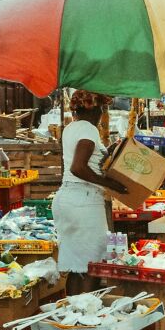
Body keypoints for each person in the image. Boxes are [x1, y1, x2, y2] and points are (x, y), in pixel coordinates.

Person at [52, 90, 127, 295]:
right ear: (94, 108)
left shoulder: (71, 128)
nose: (103, 113)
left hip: (68, 199)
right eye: (102, 108)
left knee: (78, 267)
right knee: (91, 265)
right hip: (83, 200)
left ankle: (74, 311)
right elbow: (79, 167)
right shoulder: (89, 129)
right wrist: (108, 183)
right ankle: (85, 311)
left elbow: (87, 159)